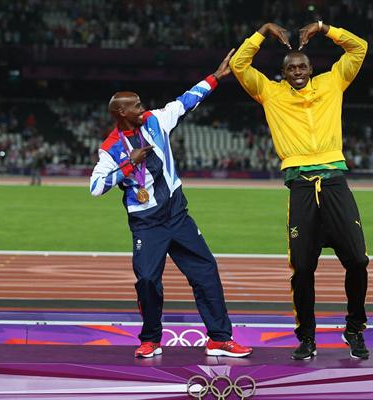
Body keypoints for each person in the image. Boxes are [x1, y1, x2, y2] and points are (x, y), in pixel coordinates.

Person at [89, 50, 252, 359]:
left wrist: (216, 77)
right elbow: (96, 188)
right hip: (146, 222)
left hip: (176, 213)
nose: (142, 107)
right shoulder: (111, 149)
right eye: (135, 105)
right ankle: (150, 338)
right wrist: (127, 165)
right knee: (148, 279)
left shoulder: (155, 121)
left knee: (205, 270)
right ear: (121, 113)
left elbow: (187, 100)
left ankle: (219, 338)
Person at [230, 21, 370, 360]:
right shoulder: (270, 93)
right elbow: (238, 65)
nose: (297, 71)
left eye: (302, 66)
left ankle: (354, 328)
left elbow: (359, 48)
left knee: (357, 260)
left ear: (311, 68)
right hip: (301, 187)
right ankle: (306, 336)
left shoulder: (333, 82)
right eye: (291, 68)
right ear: (282, 73)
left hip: (335, 181)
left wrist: (324, 29)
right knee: (303, 268)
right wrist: (262, 32)